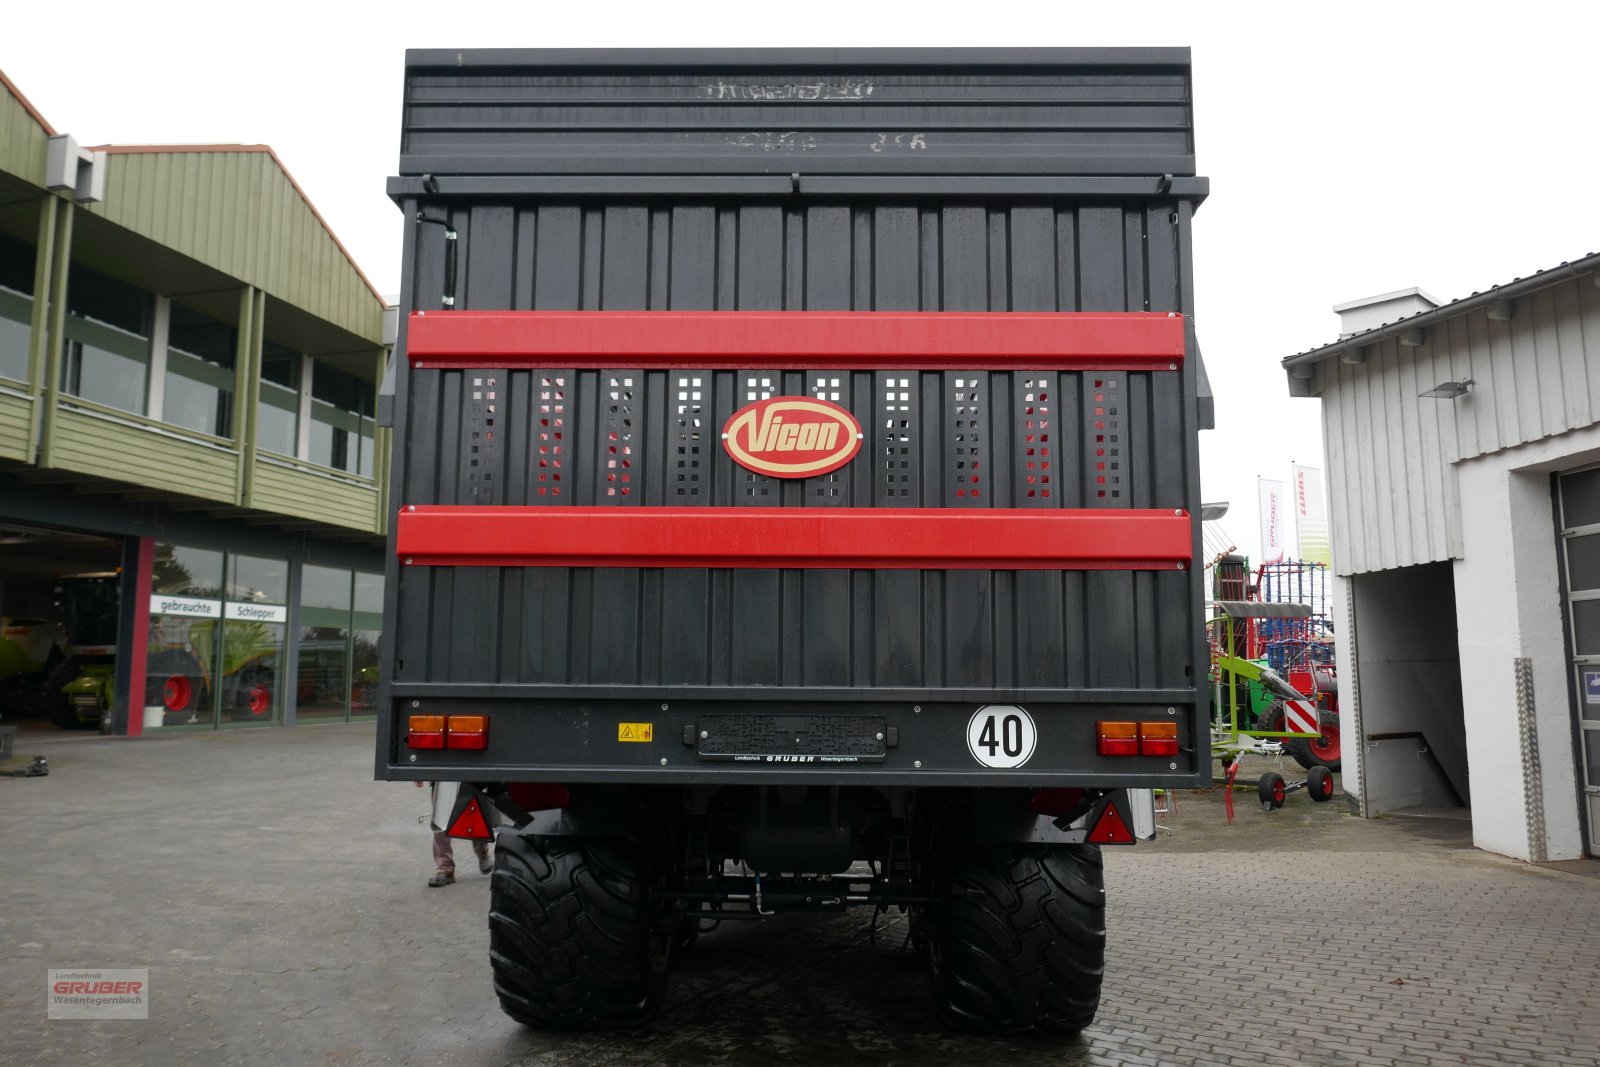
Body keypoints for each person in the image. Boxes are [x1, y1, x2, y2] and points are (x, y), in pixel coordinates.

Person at [417, 781, 492, 887]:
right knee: (441, 821)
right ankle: (445, 868)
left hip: (470, 771)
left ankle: (483, 853)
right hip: (442, 773)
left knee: (475, 815)